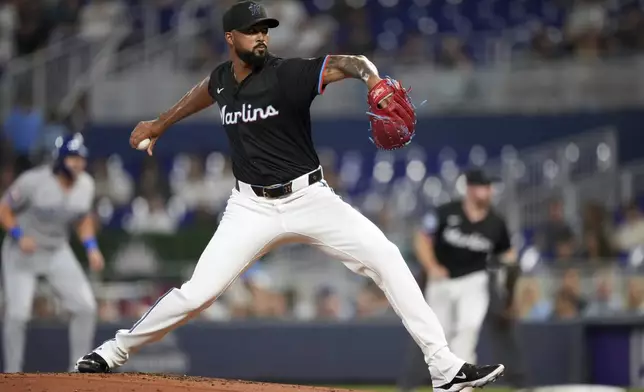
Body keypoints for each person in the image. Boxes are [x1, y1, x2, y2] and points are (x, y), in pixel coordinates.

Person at [75, 3, 504, 390]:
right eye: (252, 30)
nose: (261, 35)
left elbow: (349, 62)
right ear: (230, 38)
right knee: (196, 294)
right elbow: (204, 90)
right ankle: (111, 351)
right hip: (250, 207)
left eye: (265, 29)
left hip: (310, 198)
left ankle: (444, 368)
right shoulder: (224, 80)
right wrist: (159, 124)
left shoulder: (288, 74)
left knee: (387, 257)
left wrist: (372, 79)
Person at [398, 169, 520, 392]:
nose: (487, 191)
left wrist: (507, 273)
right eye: (483, 186)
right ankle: (425, 383)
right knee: (436, 333)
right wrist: (432, 266)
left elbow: (509, 254)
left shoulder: (496, 222)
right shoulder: (446, 212)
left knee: (468, 329)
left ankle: (462, 387)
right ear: (471, 188)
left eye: (488, 187)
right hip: (442, 281)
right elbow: (421, 239)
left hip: (475, 280)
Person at [0, 133, 104, 372]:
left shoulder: (86, 184)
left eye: (81, 158)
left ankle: (79, 370)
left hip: (57, 250)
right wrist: (18, 235)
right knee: (17, 315)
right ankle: (12, 376)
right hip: (22, 252)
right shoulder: (33, 181)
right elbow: (4, 208)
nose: (78, 164)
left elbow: (83, 219)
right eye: (72, 158)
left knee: (85, 307)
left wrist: (92, 248)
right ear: (60, 160)